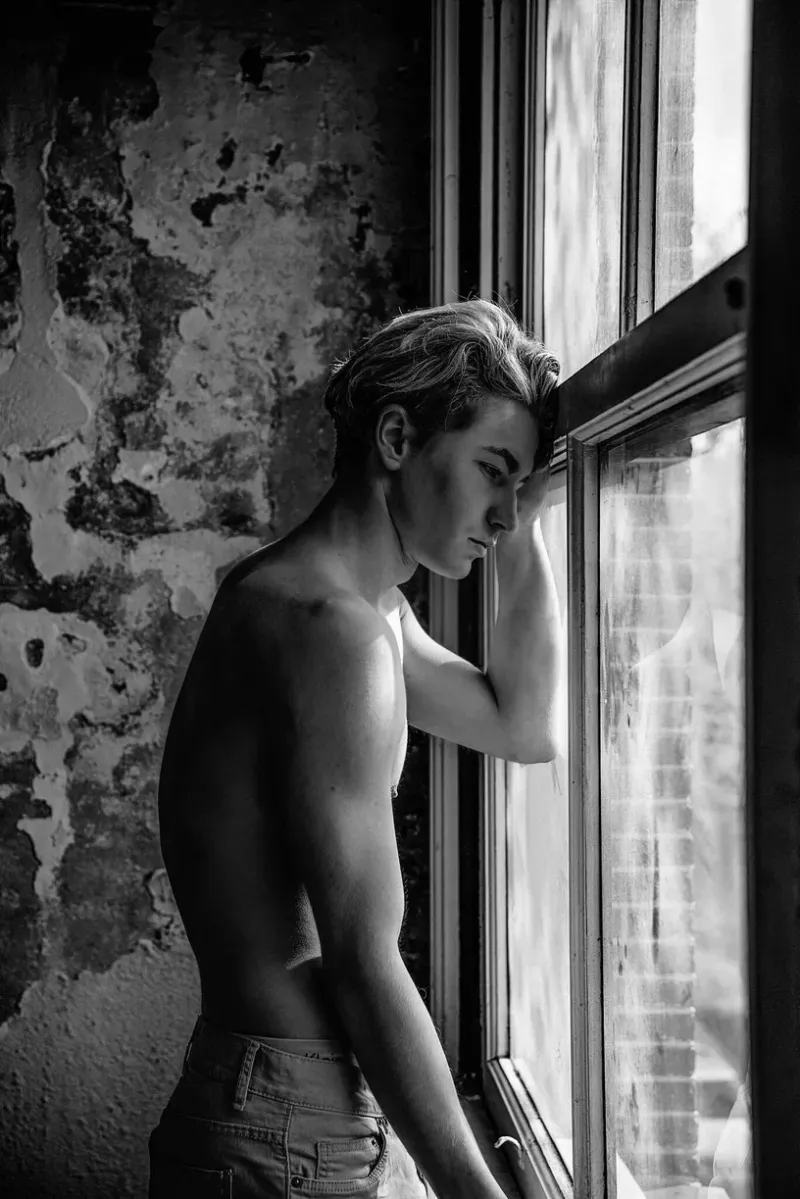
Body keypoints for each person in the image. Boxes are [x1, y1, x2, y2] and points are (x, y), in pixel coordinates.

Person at [148, 298, 562, 1198]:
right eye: (493, 471)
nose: (500, 513)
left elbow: (522, 726)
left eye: (518, 486)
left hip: (280, 1103)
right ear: (397, 437)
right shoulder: (331, 631)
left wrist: (528, 525)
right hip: (287, 1122)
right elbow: (363, 959)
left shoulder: (346, 605)